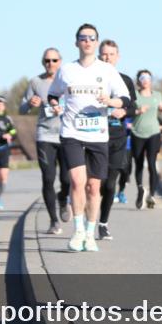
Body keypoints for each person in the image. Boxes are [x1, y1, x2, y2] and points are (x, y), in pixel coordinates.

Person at [48, 24, 130, 252]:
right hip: (71, 132)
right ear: (76, 43)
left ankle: (91, 233)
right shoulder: (66, 70)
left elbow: (125, 98)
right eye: (82, 38)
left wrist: (111, 101)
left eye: (91, 38)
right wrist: (55, 105)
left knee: (94, 187)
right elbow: (53, 94)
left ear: (96, 42)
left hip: (98, 134)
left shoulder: (107, 70)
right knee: (77, 181)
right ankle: (78, 231)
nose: (87, 41)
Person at [21, 48, 72, 234]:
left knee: (67, 179)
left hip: (67, 133)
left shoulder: (68, 80)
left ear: (60, 61)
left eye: (54, 60)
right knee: (48, 178)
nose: (50, 64)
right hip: (45, 135)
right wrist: (29, 104)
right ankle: (53, 221)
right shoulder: (36, 82)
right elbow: (22, 108)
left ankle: (63, 198)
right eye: (47, 61)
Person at [96, 39, 137, 240]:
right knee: (96, 184)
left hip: (117, 137)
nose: (107, 58)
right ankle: (87, 224)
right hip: (95, 136)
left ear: (117, 57)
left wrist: (124, 111)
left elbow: (134, 108)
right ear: (98, 55)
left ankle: (103, 223)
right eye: (104, 54)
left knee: (110, 185)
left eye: (111, 54)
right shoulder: (92, 79)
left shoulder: (126, 81)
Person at [131, 69, 162, 210]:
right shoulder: (134, 95)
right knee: (139, 164)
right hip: (137, 132)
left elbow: (160, 107)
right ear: (138, 81)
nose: (145, 80)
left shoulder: (157, 95)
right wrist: (138, 111)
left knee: (152, 164)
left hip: (153, 132)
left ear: (151, 80)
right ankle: (141, 189)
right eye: (142, 77)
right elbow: (129, 111)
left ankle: (152, 195)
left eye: (147, 77)